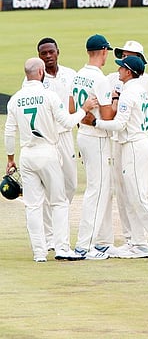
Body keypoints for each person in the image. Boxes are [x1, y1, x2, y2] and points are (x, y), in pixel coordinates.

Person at [4, 57, 97, 262]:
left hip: (27, 155)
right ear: (40, 73)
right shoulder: (49, 96)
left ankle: (39, 252)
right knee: (59, 202)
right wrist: (85, 108)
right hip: (48, 152)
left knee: (33, 205)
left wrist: (11, 159)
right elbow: (68, 121)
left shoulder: (16, 99)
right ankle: (62, 248)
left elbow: (9, 132)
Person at [89, 55, 148, 258]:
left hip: (134, 146)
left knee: (138, 197)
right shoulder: (138, 90)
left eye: (121, 68)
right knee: (135, 195)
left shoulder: (129, 94)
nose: (118, 71)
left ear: (129, 72)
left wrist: (96, 123)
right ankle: (137, 242)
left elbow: (119, 124)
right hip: (139, 144)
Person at [107, 40, 148, 250]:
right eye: (123, 55)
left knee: (144, 192)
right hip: (120, 141)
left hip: (137, 139)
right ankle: (132, 238)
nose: (123, 59)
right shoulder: (114, 79)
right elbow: (112, 110)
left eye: (128, 56)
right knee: (123, 192)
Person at [69, 34, 117, 260]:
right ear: (104, 51)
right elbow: (107, 116)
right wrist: (117, 102)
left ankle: (103, 241)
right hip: (97, 138)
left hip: (83, 135)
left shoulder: (78, 75)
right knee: (97, 191)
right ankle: (84, 246)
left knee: (102, 190)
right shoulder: (101, 79)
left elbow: (71, 109)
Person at [35, 37, 78, 250]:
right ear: (39, 57)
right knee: (48, 187)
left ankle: (57, 226)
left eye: (51, 52)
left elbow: (76, 104)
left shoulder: (70, 74)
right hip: (47, 139)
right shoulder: (35, 80)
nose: (48, 56)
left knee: (70, 184)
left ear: (58, 52)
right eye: (44, 53)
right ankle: (50, 236)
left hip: (66, 135)